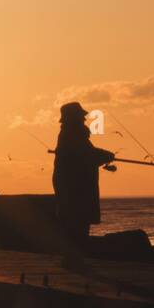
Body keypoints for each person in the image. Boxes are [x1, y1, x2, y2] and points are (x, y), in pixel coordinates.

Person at [52, 102, 115, 243]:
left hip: (73, 188)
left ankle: (74, 259)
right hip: (75, 189)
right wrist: (106, 155)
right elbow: (87, 155)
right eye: (81, 116)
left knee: (75, 226)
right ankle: (74, 260)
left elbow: (87, 154)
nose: (84, 119)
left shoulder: (71, 135)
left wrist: (104, 155)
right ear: (74, 118)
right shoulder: (71, 135)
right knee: (76, 227)